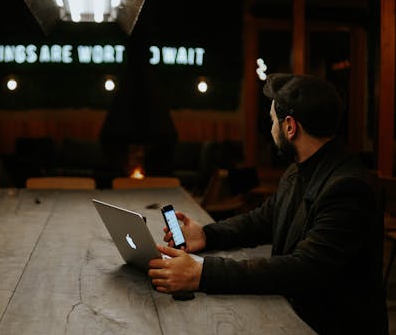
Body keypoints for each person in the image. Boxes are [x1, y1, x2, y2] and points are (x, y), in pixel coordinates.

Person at [148, 73, 388, 334]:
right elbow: (261, 220)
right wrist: (207, 235)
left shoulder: (348, 188)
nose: (271, 128)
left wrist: (202, 273)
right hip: (295, 314)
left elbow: (302, 269)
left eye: (273, 121)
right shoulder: (299, 171)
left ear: (290, 127)